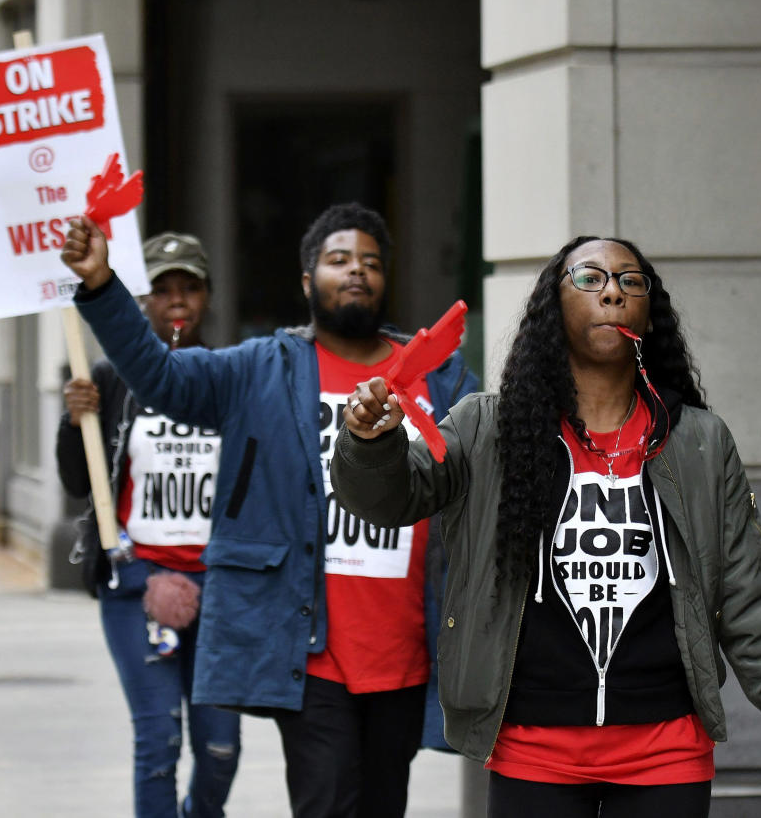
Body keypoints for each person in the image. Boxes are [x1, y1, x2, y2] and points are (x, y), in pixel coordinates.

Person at [330, 236, 761, 818]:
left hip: (666, 749)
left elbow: (750, 599)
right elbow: (389, 498)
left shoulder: (699, 441)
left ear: (648, 315)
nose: (612, 291)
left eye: (631, 282)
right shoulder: (486, 427)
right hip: (532, 748)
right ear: (554, 309)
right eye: (590, 279)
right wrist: (368, 442)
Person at [61, 203, 479, 817]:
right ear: (308, 282)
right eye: (338, 260)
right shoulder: (261, 369)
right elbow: (159, 374)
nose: (356, 271)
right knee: (325, 802)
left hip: (408, 653)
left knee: (384, 806)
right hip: (309, 653)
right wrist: (102, 286)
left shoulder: (440, 380)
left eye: (370, 262)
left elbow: (480, 466)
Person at [56, 232, 241, 818]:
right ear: (142, 302)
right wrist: (73, 422)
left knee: (220, 747)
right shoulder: (111, 379)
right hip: (137, 586)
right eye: (163, 291)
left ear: (207, 296)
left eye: (190, 288)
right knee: (158, 740)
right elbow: (75, 482)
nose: (177, 301)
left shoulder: (231, 374)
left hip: (222, 590)